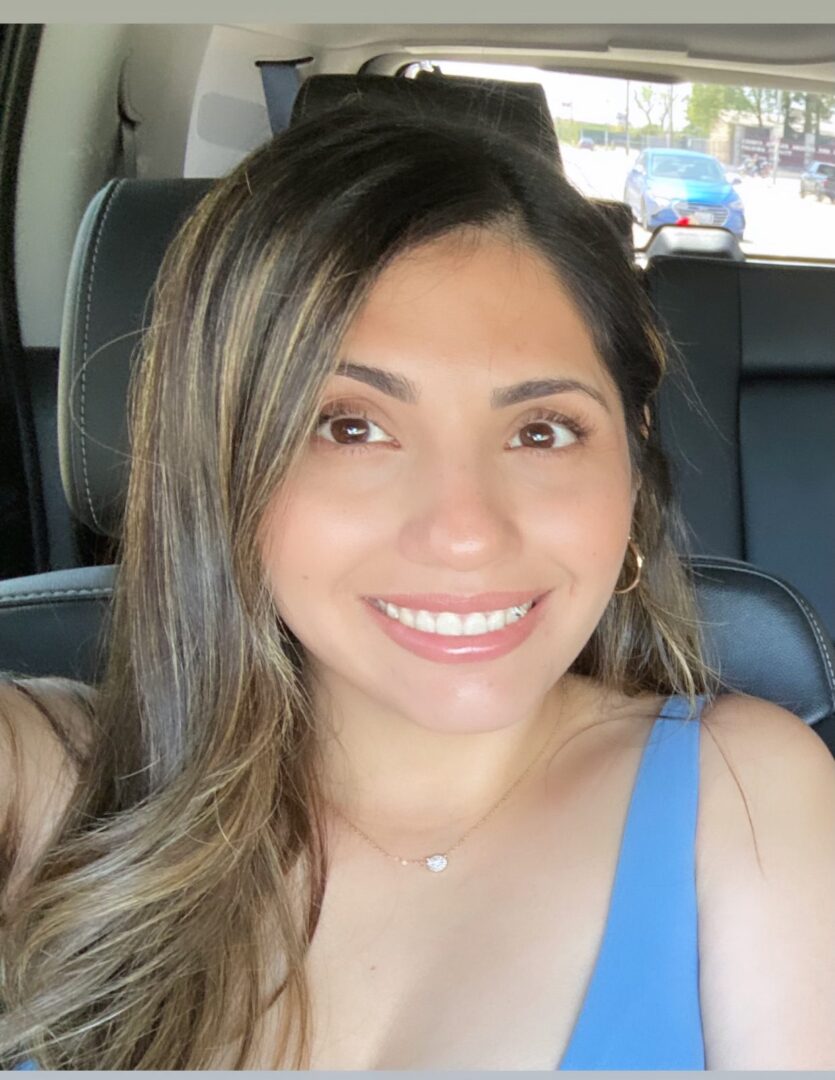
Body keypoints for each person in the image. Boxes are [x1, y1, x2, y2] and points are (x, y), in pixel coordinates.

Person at [1, 98, 834, 1071]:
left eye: (541, 430)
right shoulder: (57, 787)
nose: (465, 532)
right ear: (222, 463)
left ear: (632, 463)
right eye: (349, 427)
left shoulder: (742, 798)